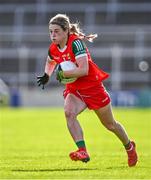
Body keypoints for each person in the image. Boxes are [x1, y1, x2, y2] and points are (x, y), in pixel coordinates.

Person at [37, 14, 138, 166]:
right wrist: (47, 74)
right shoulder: (53, 48)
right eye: (50, 32)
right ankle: (82, 150)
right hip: (75, 89)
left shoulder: (76, 43)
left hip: (93, 87)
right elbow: (51, 60)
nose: (53, 35)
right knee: (69, 113)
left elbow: (83, 70)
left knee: (110, 125)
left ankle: (129, 147)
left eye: (56, 31)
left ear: (66, 31)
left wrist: (62, 73)